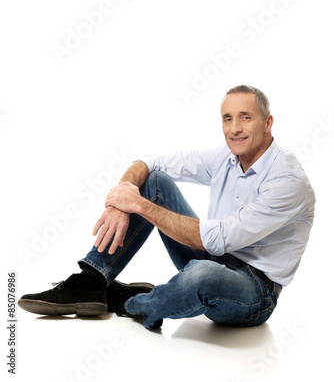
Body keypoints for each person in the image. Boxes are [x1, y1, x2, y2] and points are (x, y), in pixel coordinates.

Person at [18, 85, 315, 330]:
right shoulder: (226, 157)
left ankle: (128, 302)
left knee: (202, 275)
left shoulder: (288, 180)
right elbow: (149, 162)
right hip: (214, 257)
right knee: (154, 182)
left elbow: (220, 237)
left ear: (267, 122)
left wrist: (139, 206)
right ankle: (90, 281)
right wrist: (120, 201)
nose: (234, 129)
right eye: (227, 119)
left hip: (255, 293)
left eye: (245, 117)